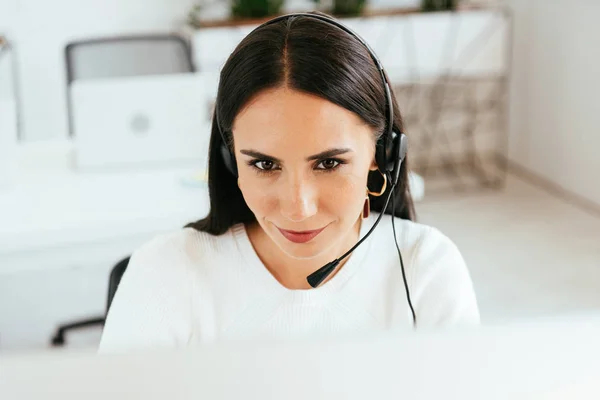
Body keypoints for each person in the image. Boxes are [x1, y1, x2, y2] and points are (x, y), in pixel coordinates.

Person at [99, 12, 479, 352]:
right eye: (265, 164)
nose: (298, 207)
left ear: (382, 155)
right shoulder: (166, 272)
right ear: (231, 161)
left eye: (329, 163)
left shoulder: (426, 268)